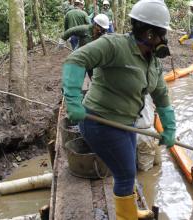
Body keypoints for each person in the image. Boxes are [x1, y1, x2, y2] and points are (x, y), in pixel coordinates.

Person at [62, 0, 176, 219]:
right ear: (149, 33)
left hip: (126, 123)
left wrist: (169, 128)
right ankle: (126, 217)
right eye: (163, 33)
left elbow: (161, 95)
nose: (165, 39)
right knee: (125, 174)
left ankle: (130, 209)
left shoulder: (153, 61)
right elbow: (75, 59)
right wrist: (73, 100)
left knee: (127, 169)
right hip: (99, 121)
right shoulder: (114, 45)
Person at [59, 14, 109, 79]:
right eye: (101, 29)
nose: (102, 31)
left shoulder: (103, 34)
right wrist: (62, 40)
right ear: (95, 25)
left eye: (104, 30)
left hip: (92, 60)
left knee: (95, 78)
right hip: (81, 58)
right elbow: (70, 31)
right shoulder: (85, 29)